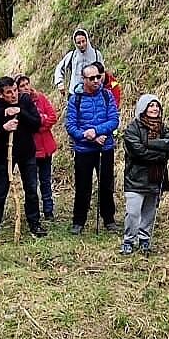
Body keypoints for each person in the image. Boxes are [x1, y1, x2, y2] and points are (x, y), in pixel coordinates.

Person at [0, 76, 44, 238]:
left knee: (31, 189)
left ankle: (34, 223)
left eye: (15, 90)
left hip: (26, 153)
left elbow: (37, 123)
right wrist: (4, 126)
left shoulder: (25, 100)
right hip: (4, 155)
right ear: (0, 94)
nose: (13, 95)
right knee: (0, 191)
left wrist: (20, 112)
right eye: (9, 92)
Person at [64, 63, 120, 233]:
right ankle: (78, 221)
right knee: (83, 186)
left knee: (106, 185)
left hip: (105, 148)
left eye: (98, 77)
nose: (96, 81)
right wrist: (86, 136)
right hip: (84, 150)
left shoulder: (107, 95)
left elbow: (114, 120)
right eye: (92, 78)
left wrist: (97, 131)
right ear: (84, 79)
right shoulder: (76, 99)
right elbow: (70, 125)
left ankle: (109, 219)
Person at [119, 94, 169, 256]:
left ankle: (144, 239)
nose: (154, 109)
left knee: (149, 212)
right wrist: (161, 152)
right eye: (151, 106)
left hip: (155, 178)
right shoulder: (132, 129)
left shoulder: (163, 127)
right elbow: (138, 152)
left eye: (156, 106)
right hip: (135, 178)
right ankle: (129, 240)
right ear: (143, 108)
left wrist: (150, 144)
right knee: (133, 212)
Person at [16, 73, 58, 226]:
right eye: (22, 86)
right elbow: (26, 125)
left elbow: (52, 116)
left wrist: (38, 123)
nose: (26, 87)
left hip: (45, 145)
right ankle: (33, 214)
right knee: (31, 184)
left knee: (46, 180)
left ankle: (48, 210)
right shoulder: (18, 103)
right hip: (31, 149)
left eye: (27, 84)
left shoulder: (39, 97)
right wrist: (40, 120)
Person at [51, 27, 103, 95]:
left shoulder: (96, 54)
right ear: (75, 43)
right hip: (74, 94)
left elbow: (102, 73)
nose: (81, 45)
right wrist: (59, 83)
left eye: (83, 41)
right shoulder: (72, 55)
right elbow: (59, 68)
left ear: (87, 40)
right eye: (78, 43)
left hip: (93, 94)